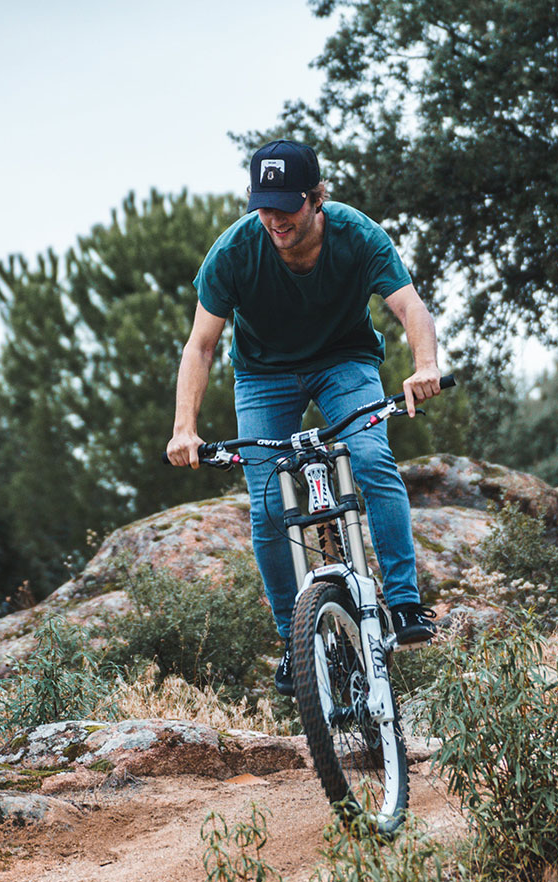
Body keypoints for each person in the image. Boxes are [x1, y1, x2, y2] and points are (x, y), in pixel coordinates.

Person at [165, 138, 442, 695]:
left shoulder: (357, 235)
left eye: (286, 205)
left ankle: (406, 604)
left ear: (317, 198)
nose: (274, 218)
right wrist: (184, 428)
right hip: (264, 376)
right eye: (263, 205)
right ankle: (294, 639)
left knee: (370, 458)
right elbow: (200, 346)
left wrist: (425, 366)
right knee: (268, 503)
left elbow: (410, 306)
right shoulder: (236, 251)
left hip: (344, 363)